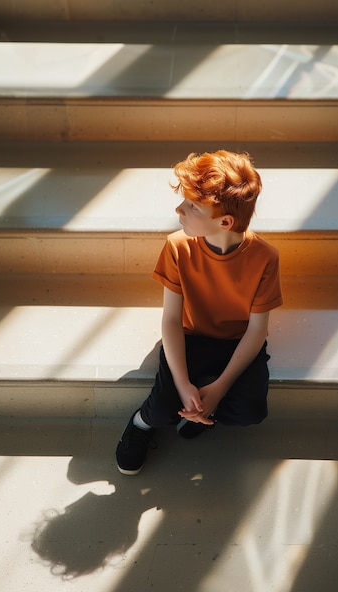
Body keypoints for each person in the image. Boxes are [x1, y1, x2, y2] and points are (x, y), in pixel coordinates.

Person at [116, 149, 283, 475]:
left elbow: (256, 330)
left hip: (238, 341)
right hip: (190, 337)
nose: (179, 210)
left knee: (251, 411)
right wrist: (182, 383)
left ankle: (205, 417)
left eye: (192, 206)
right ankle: (140, 423)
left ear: (224, 221)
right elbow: (171, 320)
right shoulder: (178, 246)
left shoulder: (265, 258)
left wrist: (218, 389)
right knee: (164, 407)